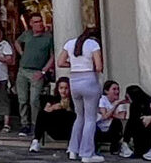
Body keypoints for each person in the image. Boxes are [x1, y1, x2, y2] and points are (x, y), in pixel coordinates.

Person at [56, 24, 106, 162]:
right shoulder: (93, 44)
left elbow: (60, 62)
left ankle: (73, 149)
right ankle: (87, 153)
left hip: (74, 80)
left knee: (79, 117)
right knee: (90, 118)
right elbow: (99, 66)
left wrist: (74, 64)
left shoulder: (70, 43)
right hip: (89, 79)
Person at [17, 14, 54, 138]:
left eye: (40, 21)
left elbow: (52, 56)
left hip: (37, 72)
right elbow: (17, 42)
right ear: (31, 24)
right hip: (23, 70)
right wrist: (22, 53)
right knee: (22, 99)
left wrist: (44, 71)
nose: (39, 24)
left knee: (34, 100)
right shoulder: (27, 34)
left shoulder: (48, 37)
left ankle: (35, 124)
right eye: (36, 22)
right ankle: (24, 124)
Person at [37, 77, 76, 152]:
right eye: (61, 88)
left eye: (66, 88)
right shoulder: (53, 100)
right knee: (42, 113)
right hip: (54, 128)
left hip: (68, 130)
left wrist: (68, 109)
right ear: (58, 89)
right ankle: (36, 140)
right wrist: (52, 108)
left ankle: (72, 145)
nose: (63, 91)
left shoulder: (74, 101)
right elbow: (44, 112)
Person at [96, 79, 129, 157]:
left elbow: (122, 117)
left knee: (116, 122)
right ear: (106, 91)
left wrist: (111, 114)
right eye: (114, 89)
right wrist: (115, 106)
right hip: (100, 129)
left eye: (118, 89)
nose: (117, 91)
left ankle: (117, 147)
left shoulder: (119, 102)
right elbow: (104, 116)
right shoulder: (102, 100)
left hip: (112, 129)